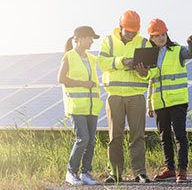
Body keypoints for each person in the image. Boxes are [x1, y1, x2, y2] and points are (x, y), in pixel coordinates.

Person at [135, 18, 192, 183]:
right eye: (157, 35)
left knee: (180, 136)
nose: (161, 38)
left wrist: (191, 44)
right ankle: (169, 169)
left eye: (163, 34)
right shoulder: (150, 55)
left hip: (177, 102)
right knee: (165, 138)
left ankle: (182, 171)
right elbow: (150, 80)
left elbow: (191, 54)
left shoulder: (177, 50)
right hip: (159, 104)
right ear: (152, 38)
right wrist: (149, 105)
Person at [98, 10, 153, 183]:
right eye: (128, 30)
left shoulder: (144, 43)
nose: (131, 34)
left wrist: (143, 73)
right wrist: (122, 61)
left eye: (134, 31)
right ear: (120, 26)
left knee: (138, 136)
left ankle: (140, 173)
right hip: (114, 96)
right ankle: (115, 174)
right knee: (115, 136)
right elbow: (102, 63)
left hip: (136, 96)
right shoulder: (108, 41)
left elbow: (151, 71)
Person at [59, 26, 102, 185]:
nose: (92, 41)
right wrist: (83, 83)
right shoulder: (69, 56)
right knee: (82, 138)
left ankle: (86, 173)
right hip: (76, 106)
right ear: (80, 39)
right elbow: (61, 78)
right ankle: (71, 172)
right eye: (90, 38)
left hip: (92, 107)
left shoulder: (92, 58)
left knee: (91, 141)